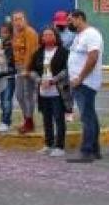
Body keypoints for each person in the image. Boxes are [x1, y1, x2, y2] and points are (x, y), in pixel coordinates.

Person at [66, 10, 104, 163]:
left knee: (86, 117)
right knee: (90, 116)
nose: (69, 23)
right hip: (79, 82)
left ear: (79, 18)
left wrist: (80, 77)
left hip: (86, 83)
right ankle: (94, 150)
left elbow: (93, 57)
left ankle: (86, 151)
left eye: (71, 20)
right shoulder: (79, 36)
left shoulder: (91, 34)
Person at [30, 27, 69, 157]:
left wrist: (53, 80)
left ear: (55, 36)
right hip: (43, 92)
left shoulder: (63, 52)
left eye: (50, 34)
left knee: (59, 118)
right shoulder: (38, 53)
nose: (47, 37)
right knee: (46, 119)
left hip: (58, 92)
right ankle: (48, 144)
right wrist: (39, 79)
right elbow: (32, 70)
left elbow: (66, 70)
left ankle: (59, 146)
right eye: (44, 35)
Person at [12, 10, 40, 134]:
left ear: (25, 20)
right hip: (18, 66)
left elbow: (31, 52)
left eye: (20, 19)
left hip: (27, 67)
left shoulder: (30, 32)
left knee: (28, 95)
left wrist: (26, 69)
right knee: (19, 95)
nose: (17, 22)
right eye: (15, 19)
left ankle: (29, 123)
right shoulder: (16, 33)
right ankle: (27, 119)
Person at [0, 22, 17, 133]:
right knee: (2, 101)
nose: (2, 34)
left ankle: (6, 122)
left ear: (10, 33)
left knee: (7, 100)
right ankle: (4, 121)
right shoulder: (0, 43)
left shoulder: (11, 45)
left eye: (5, 32)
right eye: (1, 32)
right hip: (0, 75)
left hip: (8, 76)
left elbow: (8, 62)